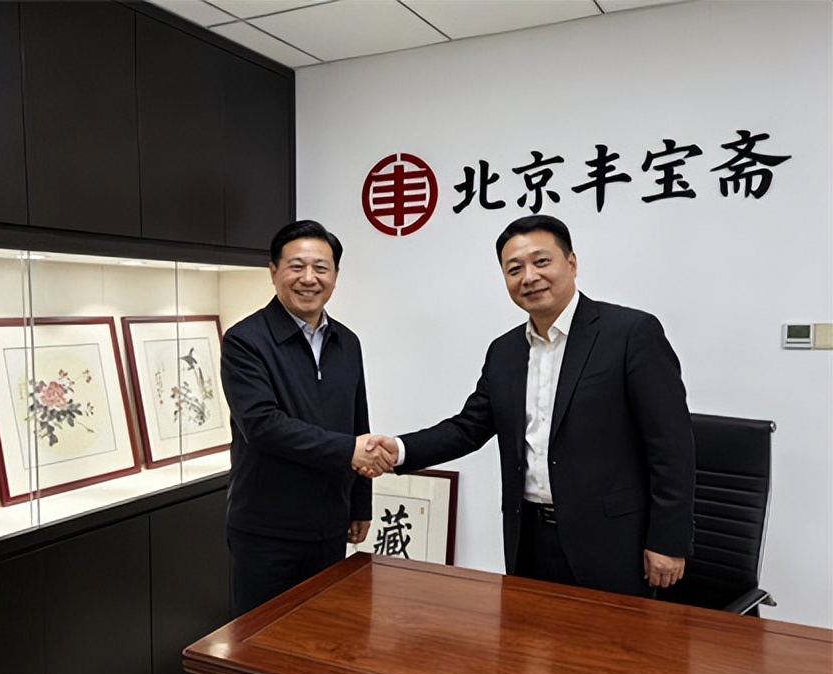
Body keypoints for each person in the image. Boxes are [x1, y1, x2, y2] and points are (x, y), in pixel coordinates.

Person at [365, 214, 695, 597]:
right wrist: (399, 449)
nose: (529, 277)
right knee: (528, 634)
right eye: (514, 269)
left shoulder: (630, 334)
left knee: (609, 637)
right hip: (529, 536)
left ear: (571, 263)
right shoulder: (504, 351)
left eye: (541, 262)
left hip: (613, 540)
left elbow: (671, 445)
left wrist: (668, 540)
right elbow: (468, 427)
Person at [221, 219, 394, 616]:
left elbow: (358, 422)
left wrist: (360, 504)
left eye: (321, 267)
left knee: (324, 630)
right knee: (261, 637)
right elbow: (262, 426)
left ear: (335, 275)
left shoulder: (347, 342)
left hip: (330, 525)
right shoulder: (245, 341)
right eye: (296, 266)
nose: (309, 278)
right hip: (266, 530)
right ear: (273, 272)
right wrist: (349, 450)